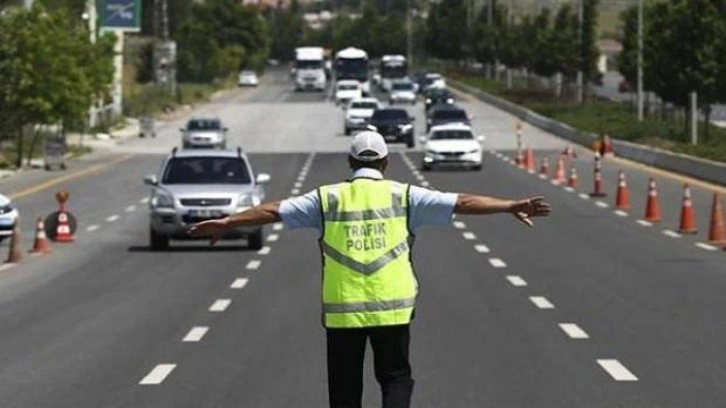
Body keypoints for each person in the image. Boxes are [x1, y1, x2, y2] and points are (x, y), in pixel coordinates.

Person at [188, 131, 551, 408]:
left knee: (345, 389)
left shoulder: (326, 198)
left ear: (350, 161)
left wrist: (228, 222)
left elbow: (273, 210)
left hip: (343, 312)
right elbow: (463, 202)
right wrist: (508, 205)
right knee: (395, 378)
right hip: (392, 307)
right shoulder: (406, 196)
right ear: (386, 162)